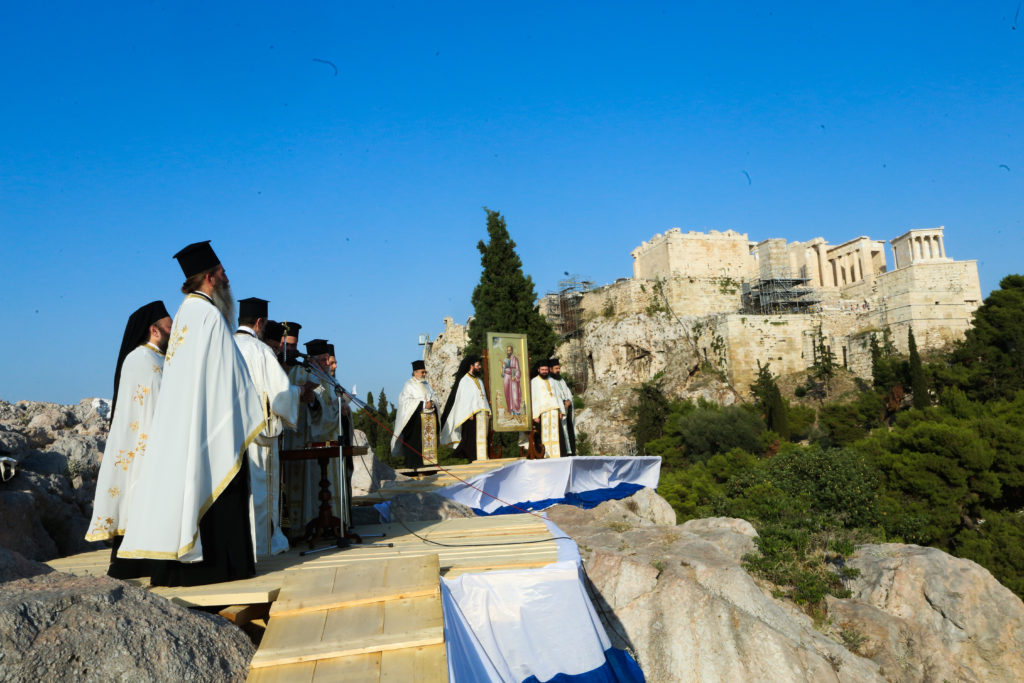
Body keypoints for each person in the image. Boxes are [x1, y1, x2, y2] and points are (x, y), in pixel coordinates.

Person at [118, 241, 265, 587]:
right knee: (222, 481)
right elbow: (229, 373)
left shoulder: (186, 311)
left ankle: (195, 568)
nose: (229, 281)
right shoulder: (210, 315)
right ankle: (224, 567)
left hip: (188, 421)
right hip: (211, 420)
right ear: (211, 278)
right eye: (224, 275)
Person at [86, 300, 171, 579]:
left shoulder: (158, 358)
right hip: (143, 445)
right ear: (153, 330)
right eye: (169, 327)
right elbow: (153, 405)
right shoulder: (141, 360)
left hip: (154, 441)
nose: (174, 332)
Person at [235, 297, 298, 557]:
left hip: (231, 436)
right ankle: (261, 549)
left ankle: (238, 549)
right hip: (259, 436)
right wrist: (299, 392)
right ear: (260, 322)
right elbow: (281, 394)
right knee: (259, 496)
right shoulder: (259, 350)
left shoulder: (225, 345)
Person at [440, 356, 491, 461]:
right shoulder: (465, 380)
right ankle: (472, 458)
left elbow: (482, 397)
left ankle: (482, 457)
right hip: (471, 416)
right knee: (471, 438)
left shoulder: (479, 380)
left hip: (482, 415)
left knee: (483, 438)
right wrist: (469, 413)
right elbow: (463, 399)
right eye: (478, 365)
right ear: (471, 366)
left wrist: (488, 410)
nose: (480, 367)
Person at [392, 360, 440, 468]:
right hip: (414, 422)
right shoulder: (409, 385)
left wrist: (432, 403)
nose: (424, 374)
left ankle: (430, 464)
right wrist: (423, 405)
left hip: (428, 421)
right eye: (422, 372)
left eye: (424, 372)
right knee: (415, 445)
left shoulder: (426, 384)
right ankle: (415, 465)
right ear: (415, 372)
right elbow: (405, 403)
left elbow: (435, 397)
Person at [531, 359, 566, 458]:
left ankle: (559, 456)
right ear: (538, 370)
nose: (545, 372)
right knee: (542, 436)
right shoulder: (534, 382)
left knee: (558, 436)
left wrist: (561, 410)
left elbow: (558, 396)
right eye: (542, 370)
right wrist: (535, 415)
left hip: (554, 412)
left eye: (546, 370)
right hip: (542, 413)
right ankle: (544, 456)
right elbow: (533, 398)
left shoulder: (552, 380)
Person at [550, 358, 576, 456]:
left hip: (567, 409)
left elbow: (568, 392)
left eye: (559, 368)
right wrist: (563, 404)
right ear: (550, 369)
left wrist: (569, 401)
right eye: (556, 368)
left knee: (569, 432)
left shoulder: (561, 380)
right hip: (560, 412)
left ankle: (571, 452)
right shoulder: (550, 381)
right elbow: (553, 396)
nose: (558, 370)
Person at [501, 344, 523, 416]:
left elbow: (517, 369)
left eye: (510, 350)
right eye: (507, 350)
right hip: (506, 377)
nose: (508, 351)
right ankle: (510, 411)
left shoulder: (515, 359)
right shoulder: (505, 359)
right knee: (507, 394)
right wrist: (502, 369)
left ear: (512, 351)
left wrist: (515, 376)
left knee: (515, 395)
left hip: (513, 378)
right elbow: (503, 371)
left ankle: (516, 411)